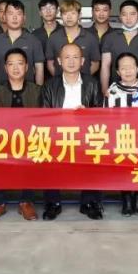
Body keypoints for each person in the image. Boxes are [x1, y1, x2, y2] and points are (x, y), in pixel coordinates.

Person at [40, 43, 104, 220]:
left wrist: (87, 114)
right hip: (57, 134)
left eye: (75, 57)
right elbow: (43, 116)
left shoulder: (92, 84)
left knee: (95, 150)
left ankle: (89, 202)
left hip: (86, 135)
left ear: (82, 61)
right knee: (47, 152)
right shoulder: (49, 85)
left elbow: (101, 114)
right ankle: (53, 203)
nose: (71, 61)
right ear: (59, 61)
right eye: (67, 57)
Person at [0, 48, 43, 222]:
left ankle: (26, 202)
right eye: (11, 64)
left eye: (20, 64)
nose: (16, 68)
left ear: (27, 67)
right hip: (3, 139)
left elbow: (42, 119)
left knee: (34, 152)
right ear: (5, 68)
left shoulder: (37, 90)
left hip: (29, 139)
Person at [105, 52, 138, 216]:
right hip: (120, 137)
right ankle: (127, 198)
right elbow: (106, 117)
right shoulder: (112, 91)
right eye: (123, 68)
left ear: (137, 68)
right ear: (118, 71)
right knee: (124, 168)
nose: (128, 71)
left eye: (131, 67)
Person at [0, 0, 45, 86]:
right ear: (5, 17)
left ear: (24, 18)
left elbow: (39, 69)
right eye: (11, 13)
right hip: (1, 90)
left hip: (28, 91)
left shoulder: (34, 41)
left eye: (18, 14)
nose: (14, 17)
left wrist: (39, 90)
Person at [45, 0, 100, 77]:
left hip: (84, 83)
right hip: (59, 83)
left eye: (73, 13)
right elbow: (50, 63)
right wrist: (60, 80)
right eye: (65, 13)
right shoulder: (53, 38)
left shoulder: (90, 38)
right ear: (61, 16)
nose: (69, 17)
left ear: (79, 15)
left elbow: (95, 64)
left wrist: (83, 79)